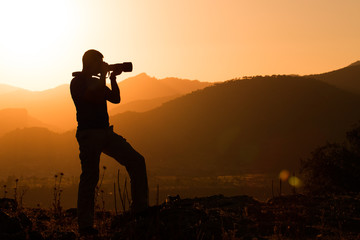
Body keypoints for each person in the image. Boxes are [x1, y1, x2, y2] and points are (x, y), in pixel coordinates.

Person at [70, 49, 149, 236]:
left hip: (105, 132)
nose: (103, 65)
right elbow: (92, 96)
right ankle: (85, 225)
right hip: (89, 134)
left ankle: (140, 209)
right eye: (100, 62)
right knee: (90, 177)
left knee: (137, 161)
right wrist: (104, 78)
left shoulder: (97, 80)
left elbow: (115, 99)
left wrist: (112, 79)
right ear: (90, 63)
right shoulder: (77, 82)